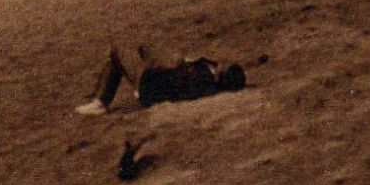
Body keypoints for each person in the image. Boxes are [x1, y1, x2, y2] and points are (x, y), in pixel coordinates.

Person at [76, 47, 247, 115]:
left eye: (224, 66)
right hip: (152, 83)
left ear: (220, 74)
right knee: (140, 50)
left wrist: (143, 88)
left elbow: (175, 84)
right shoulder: (208, 78)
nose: (222, 63)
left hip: (149, 84)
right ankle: (98, 96)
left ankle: (100, 102)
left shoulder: (202, 77)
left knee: (117, 53)